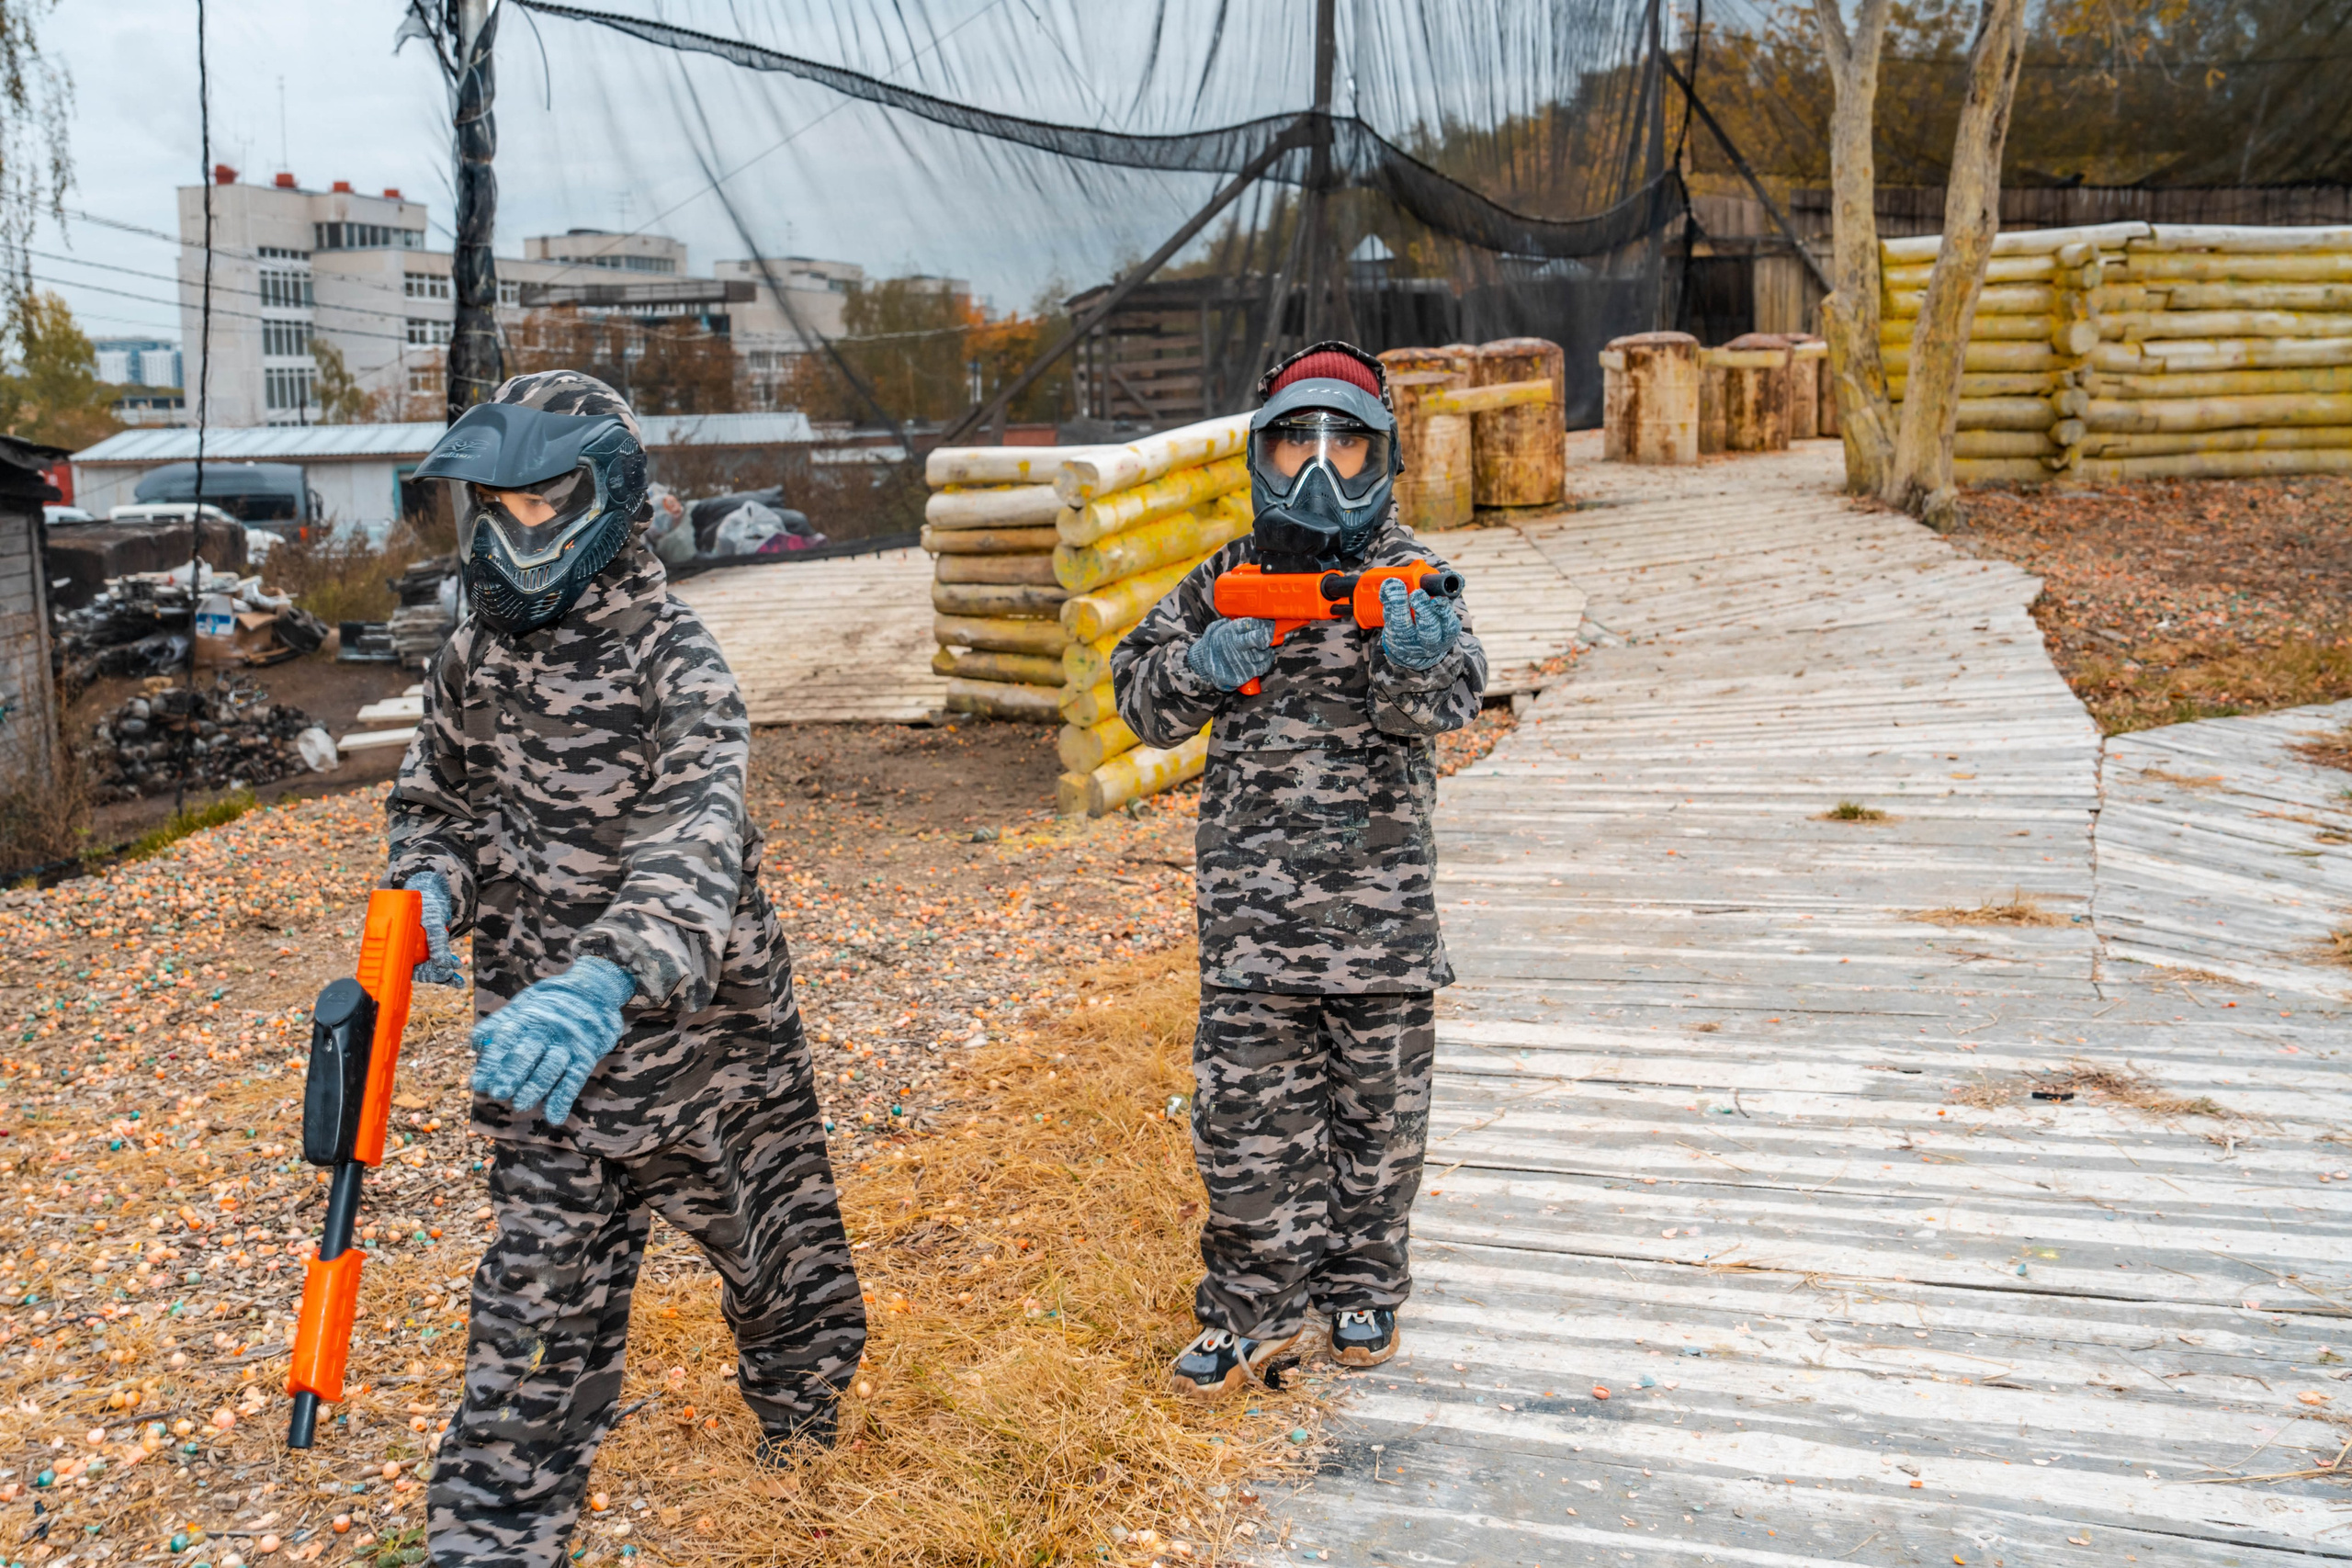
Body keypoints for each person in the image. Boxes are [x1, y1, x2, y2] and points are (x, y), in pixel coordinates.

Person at [387, 370, 865, 1567]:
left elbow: (694, 844)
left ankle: (805, 1428)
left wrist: (603, 979)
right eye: (494, 504)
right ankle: (493, 1529)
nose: (517, 530)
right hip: (544, 1069)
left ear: (611, 495)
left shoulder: (678, 661)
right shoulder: (473, 652)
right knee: (529, 1320)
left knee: (786, 1278)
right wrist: (431, 881)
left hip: (709, 1055)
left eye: (546, 502)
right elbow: (432, 794)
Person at [1112, 341, 1487, 1398]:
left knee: (1379, 1129)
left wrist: (1413, 659)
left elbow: (1451, 705)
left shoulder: (1414, 577)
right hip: (1251, 933)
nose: (1317, 470)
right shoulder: (1226, 582)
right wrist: (1199, 663)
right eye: (1293, 443)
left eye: (1344, 446)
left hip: (1383, 931)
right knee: (1244, 1133)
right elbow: (1137, 700)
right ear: (1258, 458)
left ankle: (1362, 1290)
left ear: (1384, 459)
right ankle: (1249, 1312)